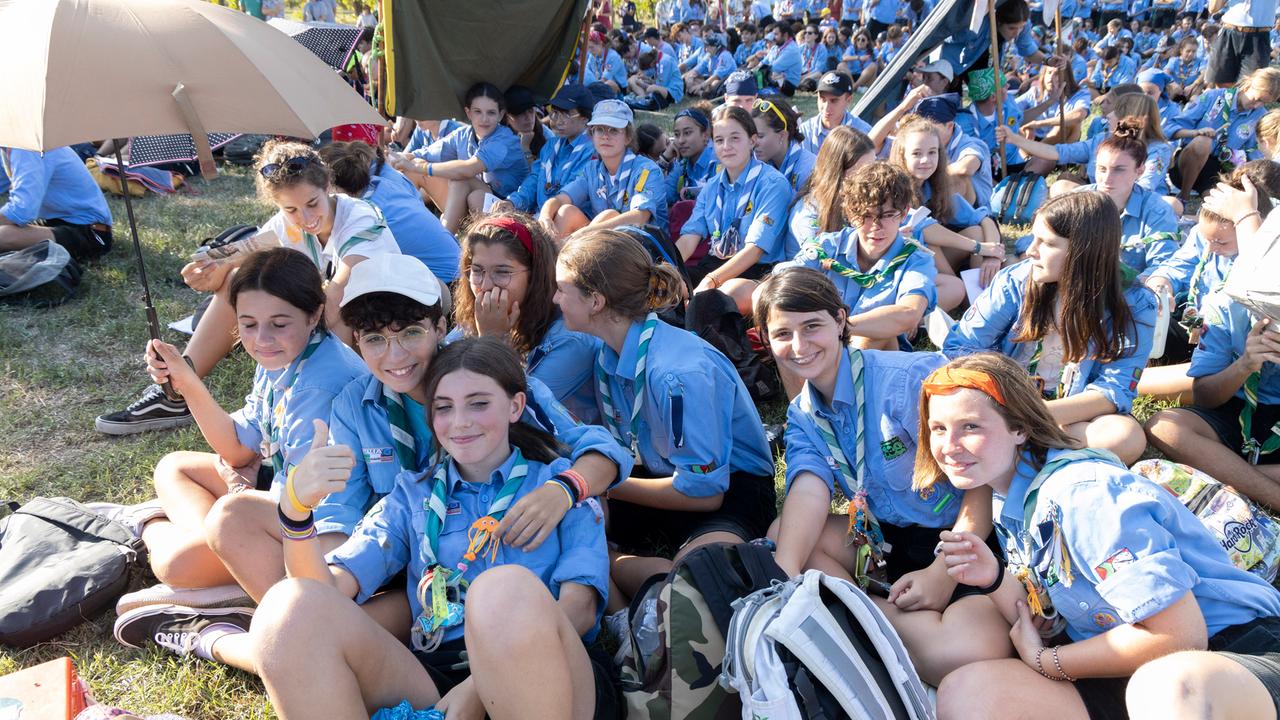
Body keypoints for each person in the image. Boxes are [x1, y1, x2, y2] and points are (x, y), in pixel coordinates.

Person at [246, 337, 620, 719]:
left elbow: (580, 610)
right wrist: (296, 510)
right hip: (439, 675)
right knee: (286, 610)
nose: (460, 421)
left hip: (549, 674)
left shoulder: (558, 488)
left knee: (501, 589)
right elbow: (325, 589)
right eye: (444, 407)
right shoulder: (412, 494)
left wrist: (479, 687)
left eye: (478, 403)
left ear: (515, 406)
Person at [922, 352, 1280, 720]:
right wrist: (995, 578)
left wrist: (1046, 660)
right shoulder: (1010, 498)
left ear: (1019, 427)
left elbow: (1179, 637)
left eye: (970, 427)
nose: (948, 447)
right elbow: (1054, 615)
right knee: (968, 694)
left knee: (1168, 687)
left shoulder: (1083, 497)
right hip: (1127, 666)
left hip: (1233, 653)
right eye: (938, 429)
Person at [756, 267, 1015, 685]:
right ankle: (880, 621)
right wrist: (782, 578)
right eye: (782, 334)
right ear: (766, 340)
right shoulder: (803, 415)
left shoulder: (908, 379)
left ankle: (863, 628)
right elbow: (808, 490)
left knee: (967, 652)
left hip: (964, 538)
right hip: (883, 539)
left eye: (812, 326)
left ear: (841, 320)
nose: (799, 346)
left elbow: (982, 478)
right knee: (785, 535)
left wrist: (942, 572)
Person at [95, 141, 401, 436]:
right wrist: (210, 272)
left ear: (328, 187)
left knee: (339, 313)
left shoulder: (360, 217)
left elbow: (335, 299)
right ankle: (179, 387)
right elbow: (232, 269)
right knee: (240, 282)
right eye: (291, 209)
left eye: (312, 204)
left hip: (383, 322)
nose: (305, 219)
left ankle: (332, 405)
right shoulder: (284, 225)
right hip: (345, 325)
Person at [126, 248, 367, 603]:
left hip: (324, 528)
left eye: (279, 324)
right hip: (281, 497)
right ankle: (230, 554)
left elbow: (305, 503)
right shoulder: (283, 355)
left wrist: (239, 495)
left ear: (314, 314)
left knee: (174, 563)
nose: (261, 339)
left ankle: (155, 527)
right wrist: (188, 382)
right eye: (248, 323)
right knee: (173, 467)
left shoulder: (320, 383)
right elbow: (238, 450)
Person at [554, 229, 776, 608]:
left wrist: (607, 484)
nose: (555, 299)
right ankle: (619, 579)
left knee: (702, 581)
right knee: (563, 520)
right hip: (660, 477)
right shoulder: (610, 352)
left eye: (561, 289)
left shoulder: (676, 374)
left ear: (595, 301)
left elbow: (705, 493)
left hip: (730, 488)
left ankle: (616, 574)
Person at [943, 191, 1156, 464]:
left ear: (1084, 251)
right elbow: (961, 347)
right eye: (1034, 238)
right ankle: (1036, 452)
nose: (1031, 251)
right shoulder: (1016, 281)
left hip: (1068, 415)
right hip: (1003, 403)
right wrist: (1006, 404)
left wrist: (1034, 415)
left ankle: (1016, 449)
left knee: (1125, 436)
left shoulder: (1136, 303)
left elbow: (1115, 389)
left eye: (1046, 243)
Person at [450, 214, 599, 424]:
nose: (486, 285)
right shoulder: (481, 315)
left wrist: (492, 339)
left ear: (535, 276)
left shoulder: (571, 338)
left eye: (502, 272)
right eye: (477, 271)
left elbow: (514, 415)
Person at [788, 161, 938, 351]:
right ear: (850, 213)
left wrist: (839, 327)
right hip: (820, 344)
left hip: (875, 355)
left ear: (904, 213)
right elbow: (782, 281)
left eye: (888, 215)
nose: (877, 227)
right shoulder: (828, 246)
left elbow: (909, 313)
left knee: (868, 338)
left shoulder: (915, 259)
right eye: (867, 216)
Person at [674, 105, 792, 312]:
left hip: (756, 270)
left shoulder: (772, 184)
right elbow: (690, 237)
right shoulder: (712, 186)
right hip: (716, 263)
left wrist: (711, 281)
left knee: (712, 300)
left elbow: (755, 250)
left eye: (735, 138)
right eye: (719, 140)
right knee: (663, 291)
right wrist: (668, 270)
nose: (726, 146)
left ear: (752, 141)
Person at [889, 116, 1004, 308]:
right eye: (917, 153)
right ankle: (963, 293)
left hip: (933, 263)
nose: (926, 160)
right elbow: (923, 229)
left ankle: (979, 296)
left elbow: (982, 217)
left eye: (932, 152)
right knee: (928, 242)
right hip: (901, 267)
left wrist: (991, 254)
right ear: (902, 156)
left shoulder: (934, 187)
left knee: (976, 231)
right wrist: (978, 247)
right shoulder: (894, 188)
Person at [391, 82, 530, 233]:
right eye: (478, 112)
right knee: (414, 166)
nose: (484, 119)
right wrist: (398, 158)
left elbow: (467, 169)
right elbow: (424, 153)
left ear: (500, 115)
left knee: (464, 184)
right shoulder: (463, 134)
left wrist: (420, 167)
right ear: (468, 113)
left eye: (491, 113)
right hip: (477, 204)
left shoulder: (504, 140)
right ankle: (397, 225)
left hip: (509, 208)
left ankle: (444, 239)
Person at [319, 141, 461, 286]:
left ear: (332, 188)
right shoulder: (382, 182)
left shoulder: (365, 216)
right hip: (460, 265)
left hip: (446, 284)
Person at [539, 99, 667, 240]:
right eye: (599, 129)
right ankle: (555, 260)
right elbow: (561, 199)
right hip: (605, 243)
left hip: (645, 250)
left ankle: (561, 255)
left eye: (613, 130)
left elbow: (639, 217)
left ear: (628, 137)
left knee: (609, 215)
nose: (605, 136)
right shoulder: (592, 170)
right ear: (591, 136)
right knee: (566, 212)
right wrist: (545, 215)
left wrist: (584, 233)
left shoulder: (646, 170)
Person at [1167, 67, 1280, 202]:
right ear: (1248, 85)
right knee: (1203, 141)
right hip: (1187, 163)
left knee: (1219, 204)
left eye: (1264, 103)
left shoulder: (1259, 116)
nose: (1257, 105)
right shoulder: (1215, 97)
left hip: (1219, 169)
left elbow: (1255, 154)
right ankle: (1184, 196)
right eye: (1257, 99)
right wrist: (1196, 133)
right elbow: (1171, 128)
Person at [497, 85, 597, 217]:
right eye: (554, 113)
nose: (557, 121)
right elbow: (535, 178)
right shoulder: (551, 145)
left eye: (565, 114)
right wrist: (513, 202)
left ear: (585, 118)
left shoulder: (592, 151)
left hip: (568, 221)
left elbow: (573, 195)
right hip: (539, 215)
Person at [0, 145, 112, 263]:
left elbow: (21, 211)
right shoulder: (12, 147)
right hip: (53, 222)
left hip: (90, 232)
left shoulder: (27, 149)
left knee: (3, 235)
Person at [786, 126, 876, 259]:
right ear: (837, 172)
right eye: (862, 172)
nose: (871, 178)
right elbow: (822, 260)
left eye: (873, 168)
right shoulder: (808, 214)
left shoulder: (861, 200)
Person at [751, 97, 817, 195]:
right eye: (752, 136)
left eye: (760, 136)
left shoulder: (808, 170)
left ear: (782, 136)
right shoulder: (759, 164)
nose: (754, 143)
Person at [798, 72, 873, 155]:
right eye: (822, 99)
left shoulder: (863, 133)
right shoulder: (805, 131)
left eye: (834, 101)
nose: (826, 107)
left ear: (848, 100)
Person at [1204, 0, 1274, 88]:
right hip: (1229, 31)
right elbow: (1213, 8)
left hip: (1258, 37)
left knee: (1250, 85)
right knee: (1222, 82)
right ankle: (1224, 101)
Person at [664, 107, 718, 204]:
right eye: (676, 134)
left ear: (705, 135)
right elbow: (663, 196)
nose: (681, 141)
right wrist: (664, 159)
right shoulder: (682, 162)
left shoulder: (717, 161)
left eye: (687, 133)